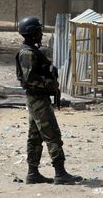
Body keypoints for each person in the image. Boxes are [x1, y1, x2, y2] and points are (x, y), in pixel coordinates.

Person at [15, 16, 83, 185]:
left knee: (35, 136)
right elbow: (30, 79)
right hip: (37, 99)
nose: (41, 34)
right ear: (31, 33)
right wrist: (50, 84)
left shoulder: (32, 51)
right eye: (38, 31)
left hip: (37, 98)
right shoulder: (28, 53)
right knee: (52, 134)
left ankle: (33, 173)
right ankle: (60, 173)